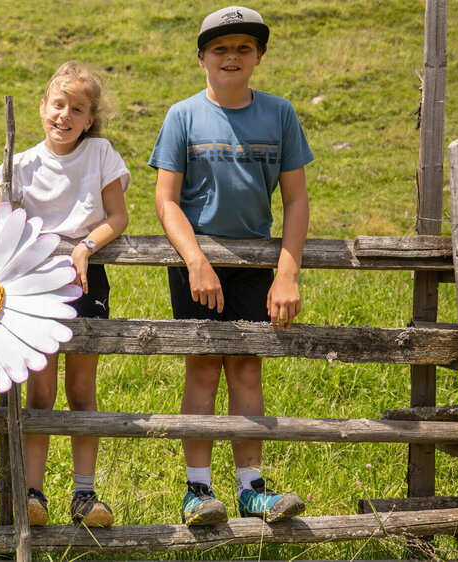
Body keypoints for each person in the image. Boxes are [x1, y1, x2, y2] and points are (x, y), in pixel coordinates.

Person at [150, 6, 312, 526]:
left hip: (254, 260)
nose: (232, 57)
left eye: (244, 47)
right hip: (197, 262)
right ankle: (197, 491)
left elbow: (296, 199)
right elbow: (166, 200)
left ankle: (252, 489)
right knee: (201, 366)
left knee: (246, 366)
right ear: (201, 57)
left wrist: (286, 271)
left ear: (259, 56)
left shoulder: (280, 113)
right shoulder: (183, 115)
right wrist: (195, 259)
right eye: (220, 48)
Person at [0, 61, 130, 528]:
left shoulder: (100, 155)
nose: (65, 116)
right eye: (58, 105)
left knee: (80, 387)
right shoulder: (19, 164)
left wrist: (86, 246)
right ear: (42, 108)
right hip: (32, 289)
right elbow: (1, 223)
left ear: (89, 119)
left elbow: (118, 216)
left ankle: (84, 493)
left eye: (77, 109)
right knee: (41, 388)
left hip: (84, 282)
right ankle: (33, 492)